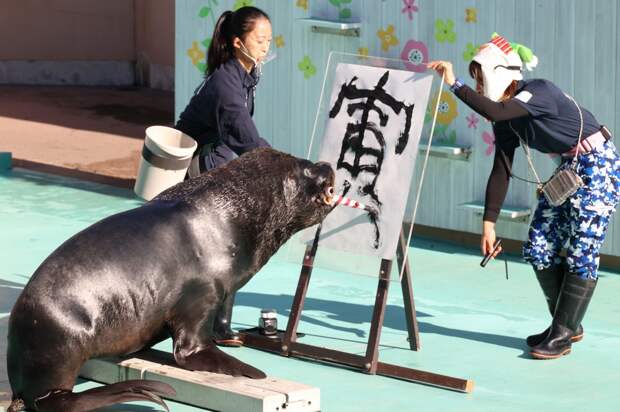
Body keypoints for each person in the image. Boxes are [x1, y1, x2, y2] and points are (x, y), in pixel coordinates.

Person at [428, 34, 620, 360]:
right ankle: (566, 323)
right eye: (474, 80)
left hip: (598, 164)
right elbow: (501, 169)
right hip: (568, 169)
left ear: (500, 73)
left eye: (480, 78)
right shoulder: (507, 118)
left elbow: (497, 111)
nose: (477, 85)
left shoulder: (538, 91)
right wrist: (489, 224)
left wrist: (454, 84)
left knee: (582, 249)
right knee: (538, 246)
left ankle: (562, 333)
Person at [175, 6, 273, 347]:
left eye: (268, 40)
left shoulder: (245, 76)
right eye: (259, 40)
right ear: (236, 42)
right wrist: (286, 167)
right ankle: (212, 322)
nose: (265, 47)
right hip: (192, 167)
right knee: (230, 237)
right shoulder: (226, 84)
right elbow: (246, 139)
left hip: (214, 158)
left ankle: (219, 320)